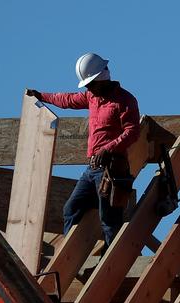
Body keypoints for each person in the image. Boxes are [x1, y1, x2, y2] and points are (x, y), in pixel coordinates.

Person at [26, 52, 140, 248]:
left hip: (112, 170)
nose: (88, 88)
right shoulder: (92, 97)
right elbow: (67, 100)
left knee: (109, 221)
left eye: (90, 84)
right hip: (92, 170)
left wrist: (108, 148)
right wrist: (41, 96)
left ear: (102, 78)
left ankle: (110, 264)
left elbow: (133, 132)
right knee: (71, 209)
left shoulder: (124, 100)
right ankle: (70, 255)